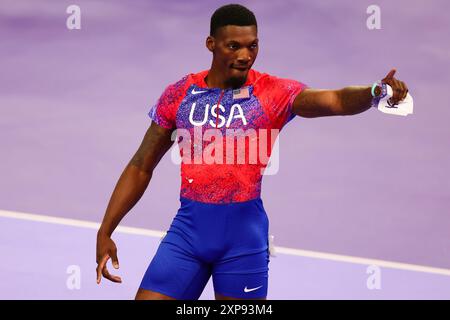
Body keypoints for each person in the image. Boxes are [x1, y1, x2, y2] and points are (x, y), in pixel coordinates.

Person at [96, 4, 408, 300]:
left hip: (243, 244)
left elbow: (337, 100)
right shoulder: (180, 94)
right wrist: (106, 229)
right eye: (234, 46)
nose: (246, 56)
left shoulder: (273, 93)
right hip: (187, 237)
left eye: (253, 46)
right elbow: (141, 165)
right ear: (211, 44)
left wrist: (374, 92)